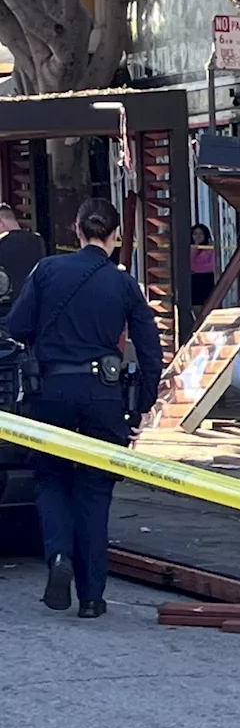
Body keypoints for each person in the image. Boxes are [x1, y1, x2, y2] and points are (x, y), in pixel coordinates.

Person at [7, 198, 163, 618]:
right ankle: (92, 597)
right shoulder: (124, 284)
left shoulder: (47, 271)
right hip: (104, 394)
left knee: (51, 479)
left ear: (76, 230)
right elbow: (151, 349)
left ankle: (59, 556)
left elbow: (18, 327)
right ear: (114, 237)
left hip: (52, 391)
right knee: (95, 490)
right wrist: (141, 405)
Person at [189, 224, 217, 316]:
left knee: (207, 307)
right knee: (195, 306)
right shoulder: (189, 248)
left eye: (201, 233)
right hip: (194, 279)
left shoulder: (210, 248)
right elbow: (190, 265)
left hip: (206, 278)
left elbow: (210, 266)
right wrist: (194, 248)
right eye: (195, 234)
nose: (198, 236)